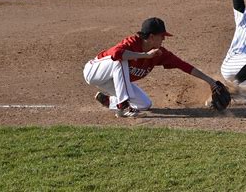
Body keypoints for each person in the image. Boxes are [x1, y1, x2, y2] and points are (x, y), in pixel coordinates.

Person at [83, 17, 223, 118]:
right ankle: (122, 106)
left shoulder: (159, 53)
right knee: (121, 59)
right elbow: (116, 54)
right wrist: (145, 55)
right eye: (161, 36)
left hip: (112, 82)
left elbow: (184, 65)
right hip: (94, 72)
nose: (164, 39)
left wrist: (210, 81)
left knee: (144, 104)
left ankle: (109, 101)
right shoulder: (132, 43)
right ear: (151, 37)